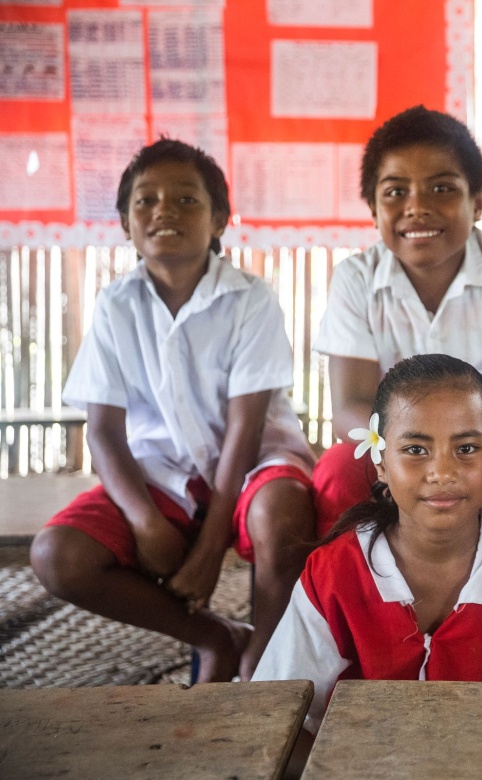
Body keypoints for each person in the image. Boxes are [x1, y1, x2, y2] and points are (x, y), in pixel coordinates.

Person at [30, 138, 316, 682]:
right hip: (163, 475)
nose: (164, 210)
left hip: (253, 464)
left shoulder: (251, 299)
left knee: (283, 518)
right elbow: (105, 433)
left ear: (219, 220)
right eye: (146, 201)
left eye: (186, 199)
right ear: (124, 222)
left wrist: (209, 549)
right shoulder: (117, 305)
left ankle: (268, 666)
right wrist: (143, 519)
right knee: (56, 556)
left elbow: (245, 427)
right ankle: (216, 636)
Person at [253, 354, 482, 734]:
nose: (442, 472)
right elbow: (281, 721)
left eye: (467, 448)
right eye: (416, 450)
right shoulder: (333, 574)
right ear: (382, 462)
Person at [312, 106, 482, 535]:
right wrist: (416, 458)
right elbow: (349, 407)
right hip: (397, 451)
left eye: (441, 188)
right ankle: (355, 594)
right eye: (395, 192)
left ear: (477, 202)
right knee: (340, 471)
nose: (417, 208)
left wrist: (471, 453)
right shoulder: (356, 279)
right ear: (371, 206)